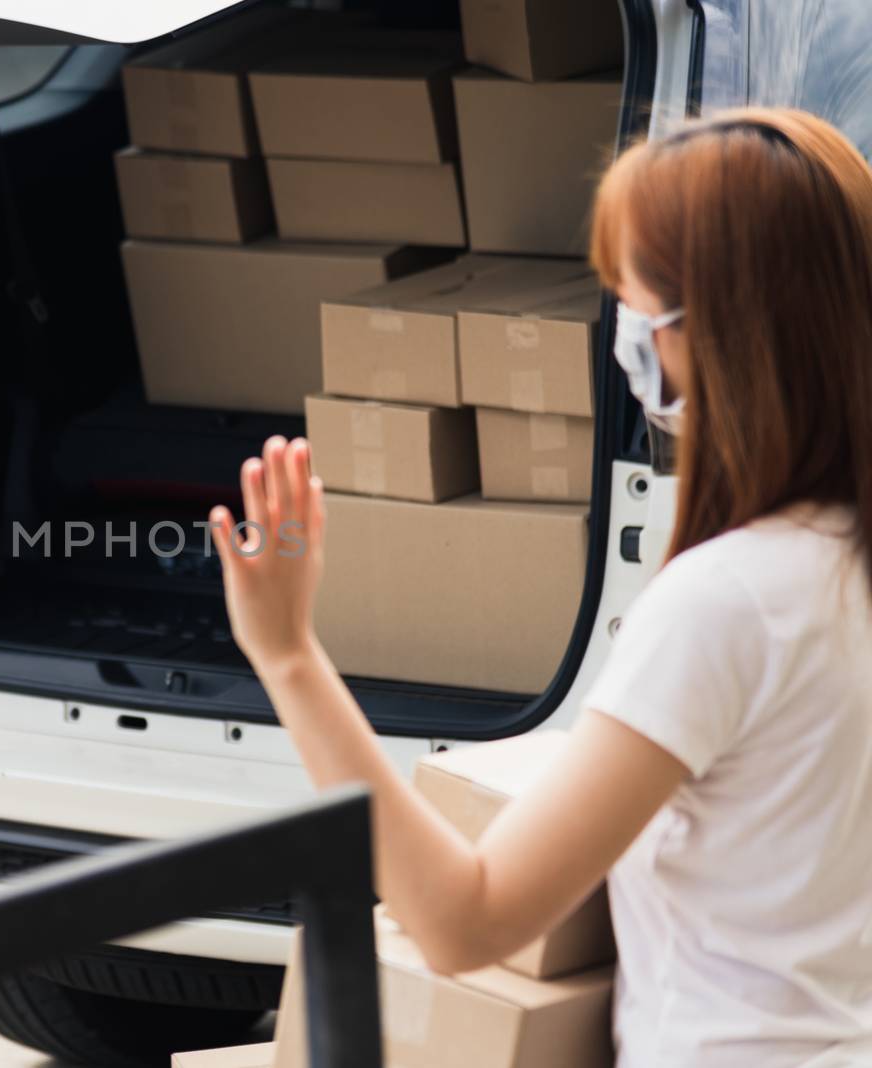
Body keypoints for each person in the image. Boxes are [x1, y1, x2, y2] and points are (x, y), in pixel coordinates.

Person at [210, 107, 872, 1067]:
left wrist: (288, 654)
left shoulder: (728, 604)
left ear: (725, 331)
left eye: (636, 306)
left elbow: (467, 922)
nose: (625, 335)